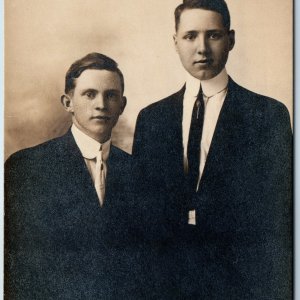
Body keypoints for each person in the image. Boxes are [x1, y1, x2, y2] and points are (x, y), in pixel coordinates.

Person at [133, 0, 292, 299]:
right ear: (175, 42)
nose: (202, 48)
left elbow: (279, 214)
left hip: (241, 280)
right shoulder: (151, 118)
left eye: (213, 35)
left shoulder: (267, 114)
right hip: (167, 280)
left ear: (230, 40)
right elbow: (144, 210)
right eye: (190, 36)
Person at [5, 53, 141, 299]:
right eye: (89, 94)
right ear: (68, 103)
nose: (101, 104)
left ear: (122, 105)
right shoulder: (26, 167)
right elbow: (14, 266)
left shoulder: (140, 173)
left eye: (111, 95)